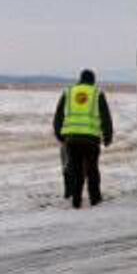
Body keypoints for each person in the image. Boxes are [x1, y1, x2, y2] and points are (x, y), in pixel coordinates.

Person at [53, 68, 113, 207]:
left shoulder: (68, 92)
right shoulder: (97, 93)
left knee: (76, 170)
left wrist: (60, 136)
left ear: (80, 79)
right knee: (92, 170)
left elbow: (58, 116)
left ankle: (76, 201)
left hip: (72, 139)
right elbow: (106, 118)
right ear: (93, 80)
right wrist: (107, 137)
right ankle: (95, 200)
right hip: (91, 139)